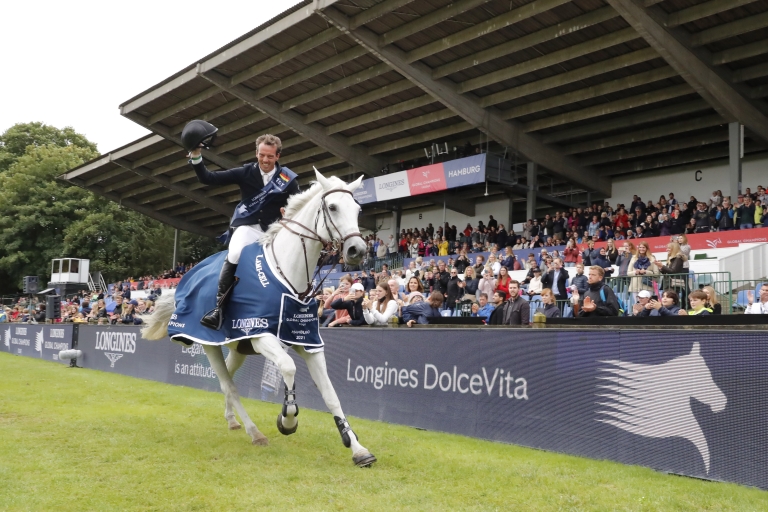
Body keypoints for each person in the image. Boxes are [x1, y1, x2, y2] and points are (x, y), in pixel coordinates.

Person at [188, 133, 300, 330]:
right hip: (248, 227)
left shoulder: (288, 179)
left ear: (278, 157)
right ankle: (219, 310)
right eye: (262, 155)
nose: (265, 160)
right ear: (256, 153)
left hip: (274, 230)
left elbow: (297, 206)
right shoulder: (245, 172)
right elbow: (207, 178)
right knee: (235, 252)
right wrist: (196, 154)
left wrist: (288, 212)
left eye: (270, 156)